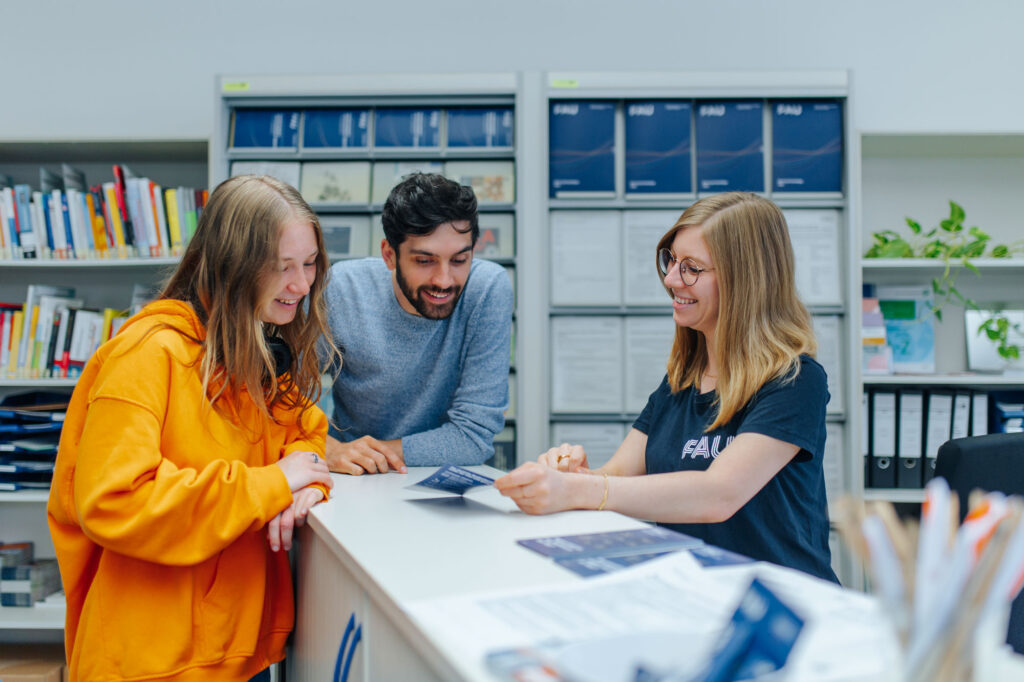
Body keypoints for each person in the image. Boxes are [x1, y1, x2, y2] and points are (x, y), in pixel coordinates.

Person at [47, 175, 338, 681]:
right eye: (282, 267)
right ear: (233, 266)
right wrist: (274, 483)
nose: (302, 284)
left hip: (234, 653)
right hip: (148, 664)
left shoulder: (255, 353)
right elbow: (115, 499)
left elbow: (305, 435)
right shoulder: (147, 355)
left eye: (309, 263)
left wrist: (306, 481)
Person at [495, 192, 836, 582]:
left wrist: (578, 491)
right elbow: (620, 476)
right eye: (671, 261)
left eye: (691, 268)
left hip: (780, 608)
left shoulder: (795, 380)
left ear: (745, 280)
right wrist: (576, 475)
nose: (672, 280)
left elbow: (718, 495)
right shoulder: (680, 380)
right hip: (696, 594)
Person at [322, 172, 513, 475]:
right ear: (389, 255)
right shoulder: (341, 289)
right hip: (351, 479)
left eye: (460, 260)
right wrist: (328, 449)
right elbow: (283, 402)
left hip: (446, 482)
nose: (444, 280)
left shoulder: (487, 289)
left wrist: (368, 454)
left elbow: (473, 437)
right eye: (425, 261)